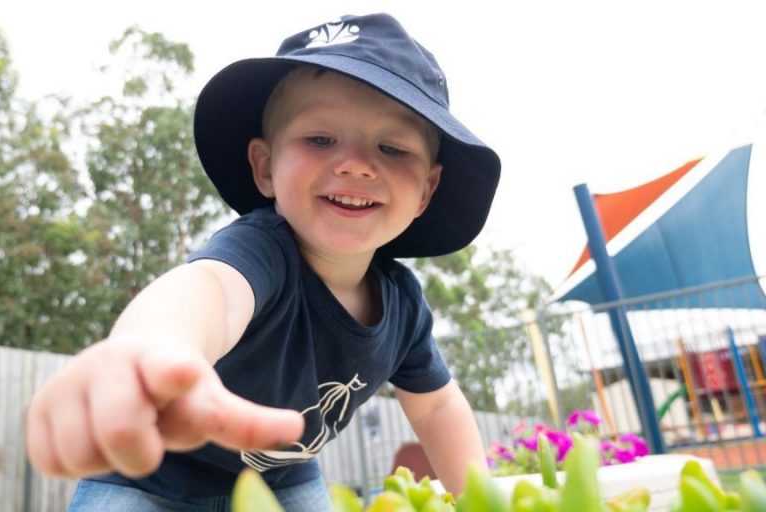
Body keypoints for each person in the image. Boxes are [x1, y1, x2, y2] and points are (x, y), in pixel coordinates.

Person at [25, 12, 501, 512]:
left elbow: (437, 407)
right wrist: (151, 346)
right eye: (320, 139)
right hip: (148, 477)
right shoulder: (262, 250)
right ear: (264, 166)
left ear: (426, 190)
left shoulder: (403, 305)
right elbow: (211, 291)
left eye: (392, 147)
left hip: (281, 480)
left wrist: (477, 500)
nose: (356, 163)